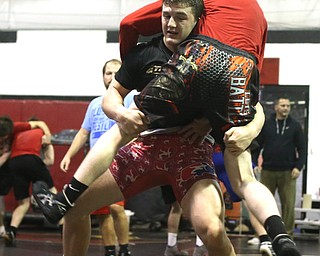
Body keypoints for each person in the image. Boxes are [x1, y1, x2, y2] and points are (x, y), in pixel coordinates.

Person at [34, 1, 300, 255]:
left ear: (199, 20)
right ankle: (68, 200)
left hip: (192, 154)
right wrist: (120, 113)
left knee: (213, 229)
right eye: (165, 16)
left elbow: (255, 106)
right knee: (75, 210)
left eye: (180, 18)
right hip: (146, 147)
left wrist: (241, 129)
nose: (171, 24)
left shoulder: (204, 55)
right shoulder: (145, 53)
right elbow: (112, 93)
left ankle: (66, 197)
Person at [59, 59, 132, 256]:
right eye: (108, 73)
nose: (112, 77)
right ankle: (110, 250)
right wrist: (69, 154)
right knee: (100, 212)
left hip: (119, 163)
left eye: (116, 73)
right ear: (103, 77)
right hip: (95, 165)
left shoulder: (132, 98)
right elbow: (83, 132)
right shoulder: (95, 104)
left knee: (117, 209)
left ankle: (124, 249)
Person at [252, 97, 307, 239]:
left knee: (288, 206)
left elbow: (302, 149)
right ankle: (262, 235)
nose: (286, 108)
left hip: (288, 172)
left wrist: (298, 167)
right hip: (267, 171)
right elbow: (257, 145)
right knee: (262, 205)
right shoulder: (267, 124)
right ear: (276, 107)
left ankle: (288, 236)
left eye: (288, 106)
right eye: (283, 105)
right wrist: (254, 164)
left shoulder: (295, 126)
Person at [2, 118, 57, 247]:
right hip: (31, 159)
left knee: (23, 203)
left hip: (14, 162)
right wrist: (48, 139)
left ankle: (11, 231)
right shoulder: (39, 132)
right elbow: (50, 161)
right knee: (53, 193)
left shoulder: (17, 131)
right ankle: (64, 228)